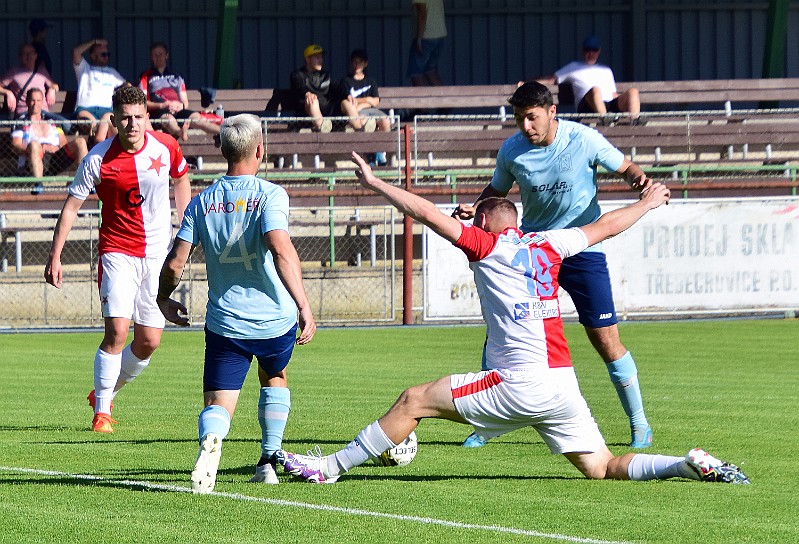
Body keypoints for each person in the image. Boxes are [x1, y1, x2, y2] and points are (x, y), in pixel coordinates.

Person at [275, 151, 750, 487]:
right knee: (602, 466)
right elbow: (606, 225)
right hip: (562, 386)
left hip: (518, 382)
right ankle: (682, 464)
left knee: (413, 400)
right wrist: (647, 203)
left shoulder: (487, 246)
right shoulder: (551, 242)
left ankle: (330, 468)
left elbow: (424, 213)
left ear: (483, 225)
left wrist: (375, 183)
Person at [452, 81, 653, 449]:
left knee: (604, 338)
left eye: (531, 117)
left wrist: (640, 181)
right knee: (502, 332)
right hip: (534, 252)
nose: (525, 126)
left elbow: (625, 167)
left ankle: (639, 423)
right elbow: (496, 192)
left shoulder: (583, 140)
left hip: (582, 248)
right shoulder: (512, 150)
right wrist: (475, 208)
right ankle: (484, 425)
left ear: (552, 111)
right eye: (519, 119)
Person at [156, 113, 316, 494]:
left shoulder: (201, 202)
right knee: (274, 376)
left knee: (218, 401)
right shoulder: (271, 195)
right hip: (274, 320)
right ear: (260, 149)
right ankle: (268, 459)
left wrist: (163, 298)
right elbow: (280, 247)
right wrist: (304, 305)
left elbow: (177, 260)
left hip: (226, 323)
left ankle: (212, 443)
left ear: (222, 150)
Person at [44, 85, 191, 434]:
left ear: (147, 118)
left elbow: (182, 178)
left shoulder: (166, 146)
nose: (132, 124)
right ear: (113, 120)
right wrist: (55, 256)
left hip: (157, 256)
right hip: (117, 253)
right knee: (118, 332)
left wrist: (186, 222)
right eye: (125, 118)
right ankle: (103, 414)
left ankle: (104, 394)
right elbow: (71, 207)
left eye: (138, 117)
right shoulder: (97, 159)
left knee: (149, 341)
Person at [533, 36, 640, 123]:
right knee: (595, 90)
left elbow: (613, 94)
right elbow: (552, 79)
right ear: (583, 51)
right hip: (587, 106)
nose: (591, 53)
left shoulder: (606, 70)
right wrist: (528, 83)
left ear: (599, 51)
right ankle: (605, 121)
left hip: (608, 105)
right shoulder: (573, 67)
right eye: (588, 50)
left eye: (594, 50)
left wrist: (624, 105)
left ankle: (635, 124)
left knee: (633, 92)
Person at [138, 42, 221, 141]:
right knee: (169, 120)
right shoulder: (145, 77)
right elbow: (142, 102)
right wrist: (163, 105)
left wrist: (180, 106)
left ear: (166, 56)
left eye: (161, 54)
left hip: (179, 110)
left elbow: (185, 102)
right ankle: (180, 132)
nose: (158, 57)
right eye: (155, 55)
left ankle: (224, 132)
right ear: (151, 57)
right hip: (159, 112)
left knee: (198, 119)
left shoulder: (177, 77)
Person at [11, 88, 88, 178]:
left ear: (42, 102)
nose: (35, 103)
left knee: (81, 141)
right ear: (27, 102)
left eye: (38, 100)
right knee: (34, 145)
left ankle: (86, 181)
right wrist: (37, 147)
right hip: (35, 157)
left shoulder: (52, 121)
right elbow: (16, 144)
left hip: (57, 157)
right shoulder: (20, 122)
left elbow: (63, 141)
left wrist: (55, 147)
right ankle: (38, 184)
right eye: (32, 100)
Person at [339, 48, 391, 166]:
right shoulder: (346, 81)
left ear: (365, 63)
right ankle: (369, 152)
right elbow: (349, 100)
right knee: (363, 122)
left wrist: (364, 102)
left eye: (360, 61)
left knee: (386, 122)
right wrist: (367, 100)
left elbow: (376, 101)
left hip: (371, 110)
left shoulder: (370, 81)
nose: (357, 64)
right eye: (355, 61)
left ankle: (379, 150)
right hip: (358, 112)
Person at [72, 38, 127, 142]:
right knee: (86, 119)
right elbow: (76, 52)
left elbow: (126, 86)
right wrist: (94, 42)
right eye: (103, 54)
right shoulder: (84, 69)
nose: (106, 57)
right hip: (86, 110)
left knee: (110, 120)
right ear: (93, 56)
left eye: (108, 54)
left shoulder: (112, 72)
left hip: (106, 111)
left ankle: (110, 148)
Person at [1, 43, 60, 118]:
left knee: (67, 125)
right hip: (24, 113)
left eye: (31, 53)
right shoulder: (13, 72)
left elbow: (55, 85)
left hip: (43, 113)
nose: (28, 56)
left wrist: (52, 89)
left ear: (36, 55)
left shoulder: (42, 71)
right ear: (20, 57)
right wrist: (8, 93)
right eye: (25, 54)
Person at [289, 44, 337, 133]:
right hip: (306, 115)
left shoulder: (326, 75)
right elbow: (299, 87)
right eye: (317, 57)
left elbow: (338, 90)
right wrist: (307, 93)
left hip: (327, 111)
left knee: (346, 102)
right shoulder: (298, 75)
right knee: (312, 100)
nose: (321, 60)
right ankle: (322, 126)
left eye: (321, 57)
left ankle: (361, 124)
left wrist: (348, 96)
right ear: (307, 59)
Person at [407, 0, 447, 86]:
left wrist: (419, 39)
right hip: (440, 35)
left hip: (426, 36)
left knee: (415, 74)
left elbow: (422, 14)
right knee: (430, 71)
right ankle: (442, 97)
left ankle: (423, 99)